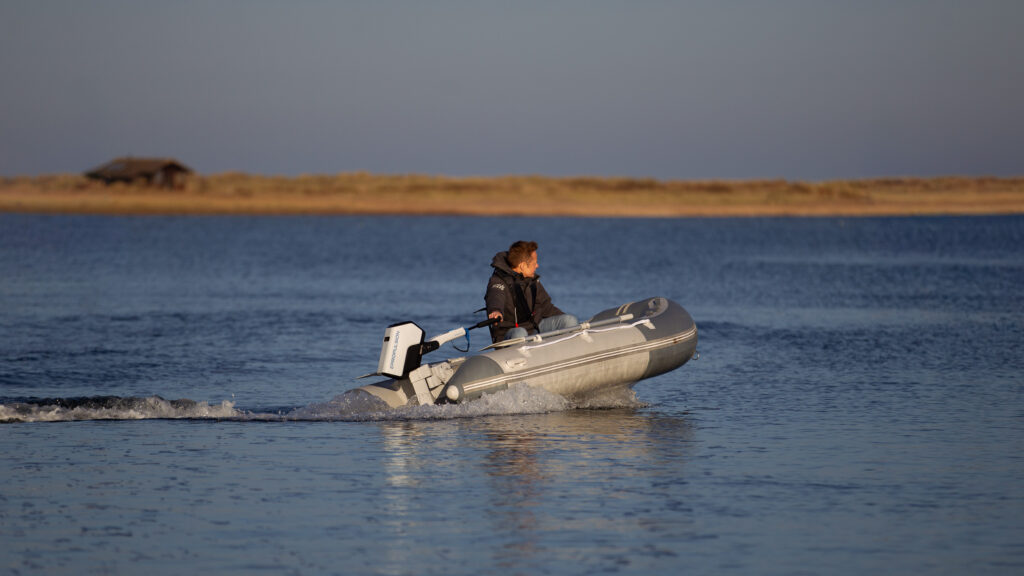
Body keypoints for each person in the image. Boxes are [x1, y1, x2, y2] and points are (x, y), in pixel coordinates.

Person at [485, 240, 578, 342]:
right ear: (523, 266)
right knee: (520, 333)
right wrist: (496, 311)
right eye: (534, 263)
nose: (537, 265)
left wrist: (576, 326)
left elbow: (547, 308)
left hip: (534, 329)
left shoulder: (532, 281)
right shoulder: (498, 281)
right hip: (509, 335)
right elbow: (495, 297)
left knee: (570, 321)